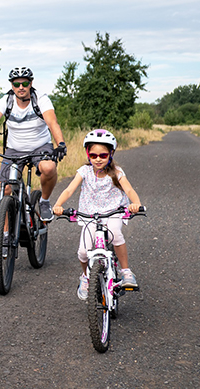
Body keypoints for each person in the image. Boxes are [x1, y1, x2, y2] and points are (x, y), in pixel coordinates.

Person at [0, 66, 67, 221]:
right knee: (2, 190)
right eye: (16, 84)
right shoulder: (6, 100)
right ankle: (4, 236)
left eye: (25, 83)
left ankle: (44, 201)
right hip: (14, 150)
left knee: (49, 167)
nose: (21, 87)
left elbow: (52, 123)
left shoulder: (41, 99)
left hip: (40, 147)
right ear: (11, 85)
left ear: (30, 83)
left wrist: (60, 144)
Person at [52, 129, 142, 300]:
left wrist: (135, 203)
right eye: (93, 155)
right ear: (88, 155)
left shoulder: (117, 172)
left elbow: (129, 189)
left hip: (113, 213)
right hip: (90, 216)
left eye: (103, 155)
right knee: (83, 252)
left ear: (111, 154)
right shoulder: (84, 172)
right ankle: (86, 277)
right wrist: (58, 205)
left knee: (116, 234)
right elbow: (69, 189)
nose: (98, 159)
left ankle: (125, 271)